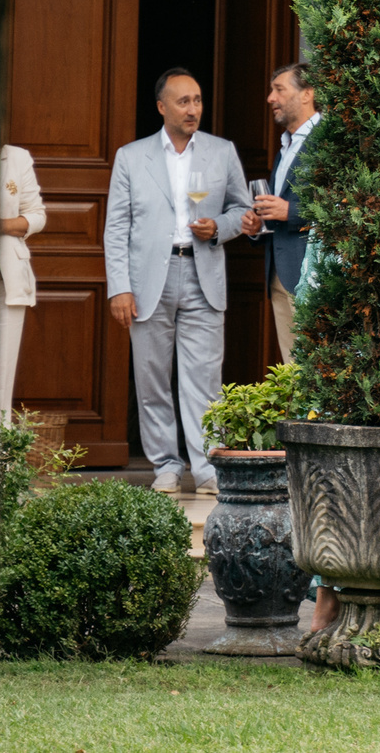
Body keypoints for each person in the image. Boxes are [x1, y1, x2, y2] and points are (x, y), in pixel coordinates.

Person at [105, 66, 255, 494]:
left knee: (204, 380)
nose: (193, 109)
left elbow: (242, 212)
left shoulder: (221, 151)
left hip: (202, 271)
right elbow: (117, 227)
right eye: (184, 101)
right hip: (148, 278)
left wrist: (220, 228)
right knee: (151, 378)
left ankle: (207, 469)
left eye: (198, 101)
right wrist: (119, 286)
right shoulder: (131, 157)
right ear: (161, 107)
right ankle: (166, 467)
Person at [250, 63, 319, 363]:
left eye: (279, 89)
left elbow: (343, 203)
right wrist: (256, 224)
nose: (270, 98)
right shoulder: (285, 146)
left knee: (315, 370)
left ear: (307, 94)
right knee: (293, 371)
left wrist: (289, 210)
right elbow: (275, 210)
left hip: (313, 276)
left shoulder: (328, 141)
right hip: (280, 275)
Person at [0, 143, 45, 427]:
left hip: (6, 282)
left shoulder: (16, 157)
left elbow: (37, 214)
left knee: (1, 380)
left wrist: (0, 225)